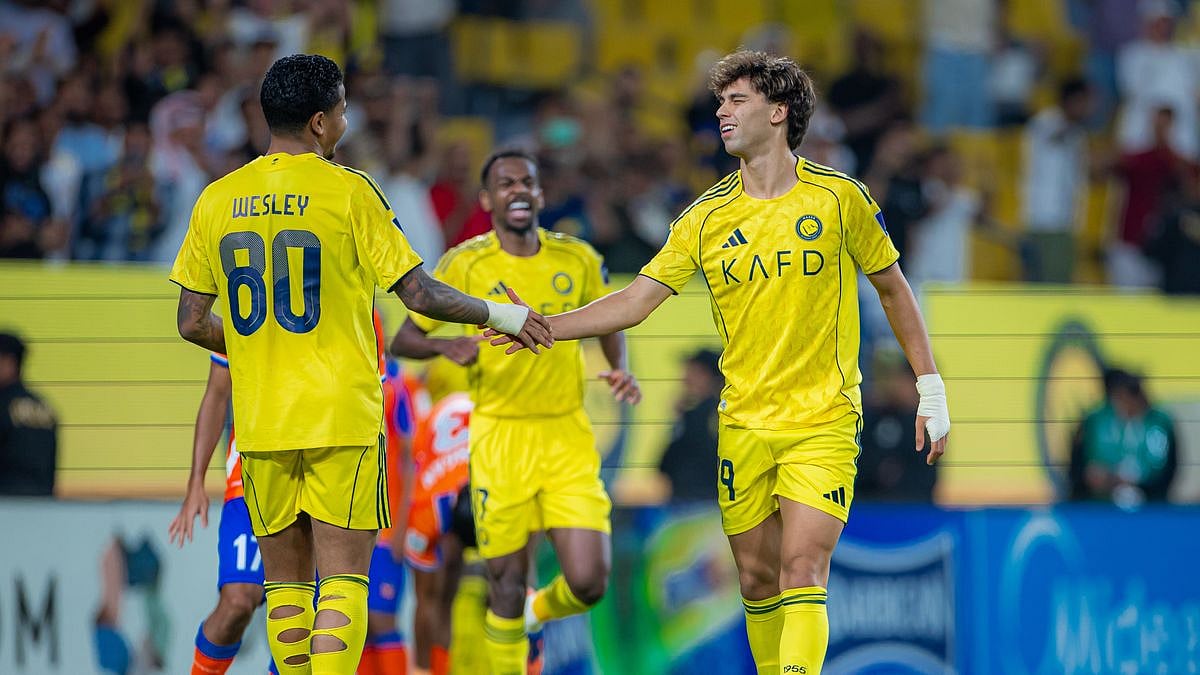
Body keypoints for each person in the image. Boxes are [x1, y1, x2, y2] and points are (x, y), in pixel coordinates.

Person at [489, 51, 951, 675]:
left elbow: (893, 289)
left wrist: (930, 388)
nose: (720, 112)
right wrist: (546, 327)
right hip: (742, 423)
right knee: (758, 580)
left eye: (736, 101)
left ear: (778, 111)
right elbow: (634, 301)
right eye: (720, 101)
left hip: (824, 419)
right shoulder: (706, 218)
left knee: (802, 568)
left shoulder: (841, 200)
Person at [168, 54, 552, 675]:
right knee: (344, 587)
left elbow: (190, 322)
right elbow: (421, 295)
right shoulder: (350, 192)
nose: (346, 120)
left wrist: (252, 345)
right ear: (320, 122)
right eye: (343, 109)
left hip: (262, 421)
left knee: (287, 593)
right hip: (339, 416)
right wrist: (500, 315)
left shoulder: (217, 200)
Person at [391, 149, 641, 674]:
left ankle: (538, 610)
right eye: (505, 184)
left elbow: (608, 320)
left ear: (541, 194)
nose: (518, 190)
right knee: (503, 584)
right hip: (498, 438)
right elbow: (406, 338)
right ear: (488, 200)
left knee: (589, 580)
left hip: (566, 436)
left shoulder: (577, 258)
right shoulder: (464, 263)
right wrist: (444, 348)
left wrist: (618, 366)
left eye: (527, 181)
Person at [167, 353, 276, 675]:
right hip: (252, 476)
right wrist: (195, 481)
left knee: (302, 623)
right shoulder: (243, 303)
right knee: (238, 601)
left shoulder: (349, 310)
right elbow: (217, 392)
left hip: (319, 479)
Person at [1069, 368, 1178, 505]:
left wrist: (1125, 479)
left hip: (1148, 500)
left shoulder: (1158, 422)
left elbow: (1159, 468)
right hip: (1101, 501)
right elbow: (1085, 466)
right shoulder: (1098, 420)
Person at [658, 348, 723, 502]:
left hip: (700, 501)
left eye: (692, 371)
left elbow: (673, 461)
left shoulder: (709, 414)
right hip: (695, 498)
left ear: (707, 375)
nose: (685, 378)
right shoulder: (698, 412)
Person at [0, 331, 58, 496]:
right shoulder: (45, 408)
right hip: (39, 507)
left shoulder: (3, 404)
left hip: (6, 507)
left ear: (9, 362)